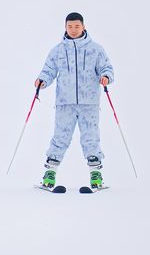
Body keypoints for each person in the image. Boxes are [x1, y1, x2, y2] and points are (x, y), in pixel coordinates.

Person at [35, 12, 114, 190]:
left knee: (90, 138)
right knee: (60, 137)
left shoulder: (96, 49)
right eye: (69, 26)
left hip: (89, 103)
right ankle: (50, 175)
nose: (73, 29)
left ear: (83, 27)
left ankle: (96, 177)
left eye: (77, 26)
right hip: (65, 103)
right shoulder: (58, 50)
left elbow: (106, 67)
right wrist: (42, 80)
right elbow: (48, 70)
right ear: (65, 27)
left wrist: (106, 77)